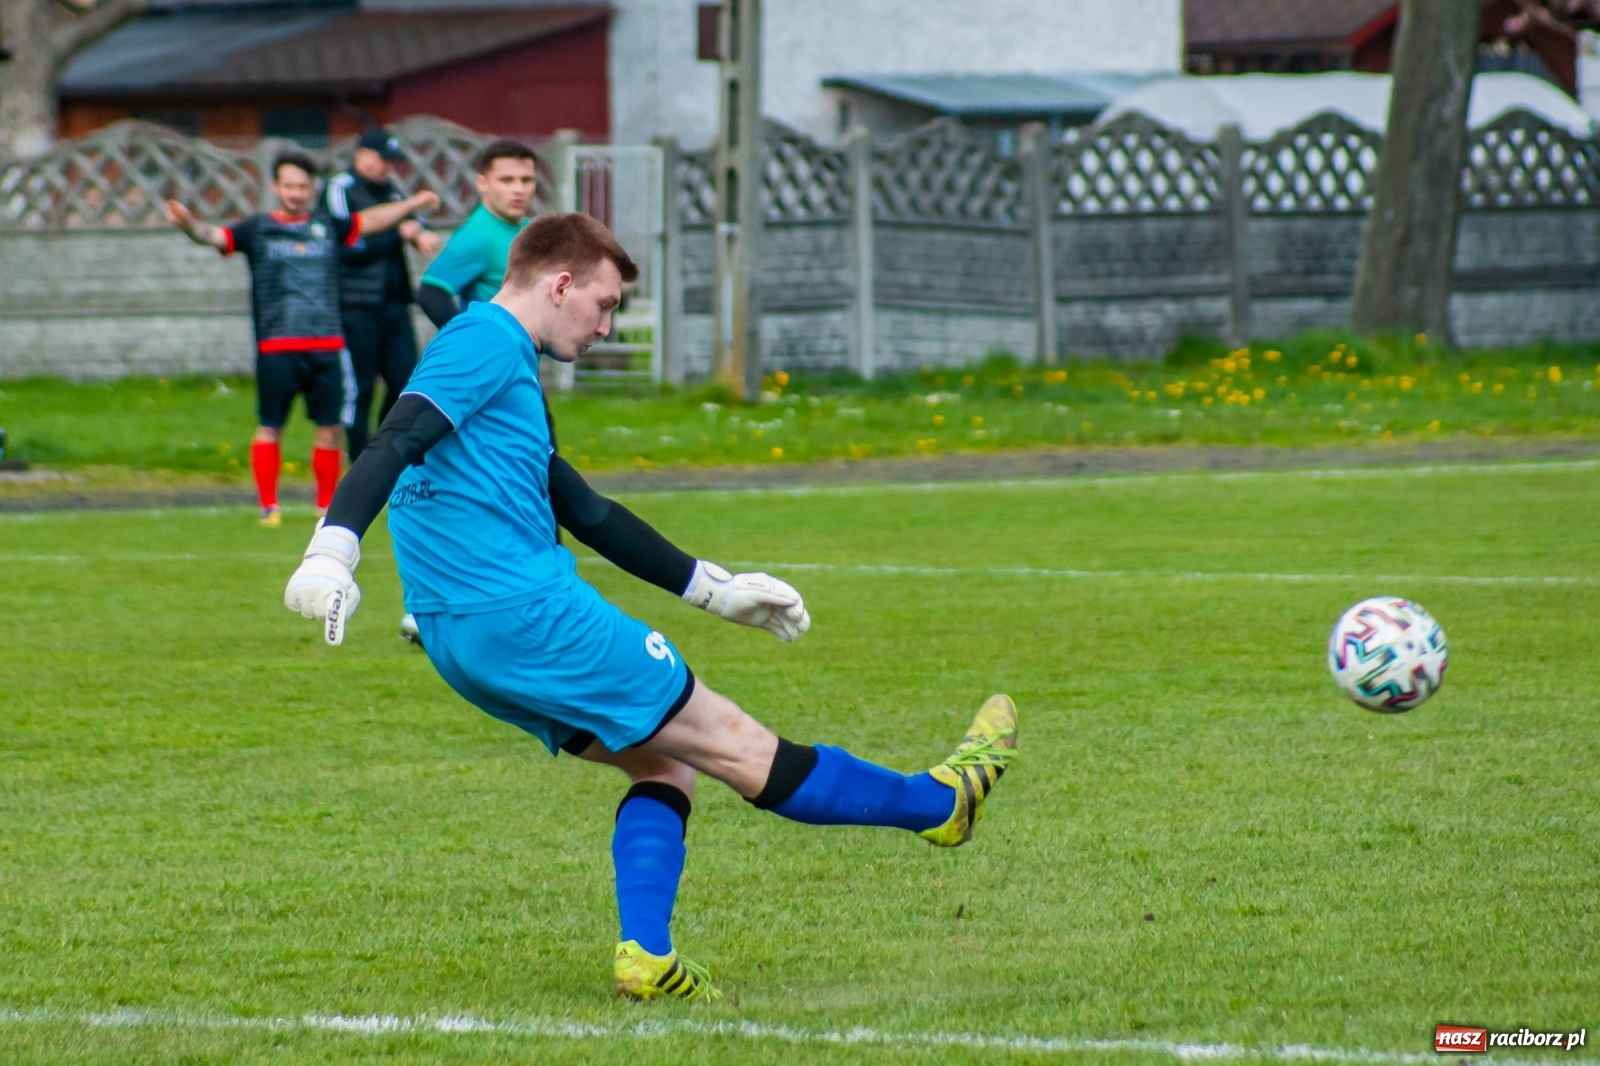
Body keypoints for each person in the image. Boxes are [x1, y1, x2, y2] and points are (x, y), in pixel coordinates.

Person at [282, 212, 1018, 1001]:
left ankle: (647, 956)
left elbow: (582, 508)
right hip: (531, 617)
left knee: (665, 765)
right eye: (603, 304)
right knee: (740, 746)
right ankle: (937, 803)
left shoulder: (503, 372)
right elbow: (393, 439)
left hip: (461, 640)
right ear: (559, 284)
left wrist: (715, 589)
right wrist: (332, 549)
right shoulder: (484, 341)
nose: (605, 326)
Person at [167, 153, 438, 525]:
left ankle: (324, 506)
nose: (295, 193)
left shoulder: (328, 227)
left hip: (326, 346)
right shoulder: (257, 228)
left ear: (312, 190)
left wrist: (410, 204)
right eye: (288, 185)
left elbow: (372, 221)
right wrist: (187, 224)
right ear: (276, 187)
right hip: (276, 346)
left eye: (302, 186)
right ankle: (268, 507)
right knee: (270, 424)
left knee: (330, 427)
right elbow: (213, 235)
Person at [324, 128, 443, 462]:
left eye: (391, 161)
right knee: (360, 386)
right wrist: (399, 225)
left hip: (394, 301)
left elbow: (414, 222)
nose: (385, 167)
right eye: (380, 159)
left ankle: (386, 448)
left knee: (406, 380)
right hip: (356, 302)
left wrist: (420, 235)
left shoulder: (392, 190)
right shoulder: (340, 188)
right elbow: (348, 237)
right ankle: (359, 457)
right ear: (361, 154)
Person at [413, 139, 537, 329]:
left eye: (526, 180)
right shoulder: (478, 235)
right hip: (496, 354)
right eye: (506, 180)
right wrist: (469, 340)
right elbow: (430, 293)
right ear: (482, 184)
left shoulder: (529, 229)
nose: (518, 189)